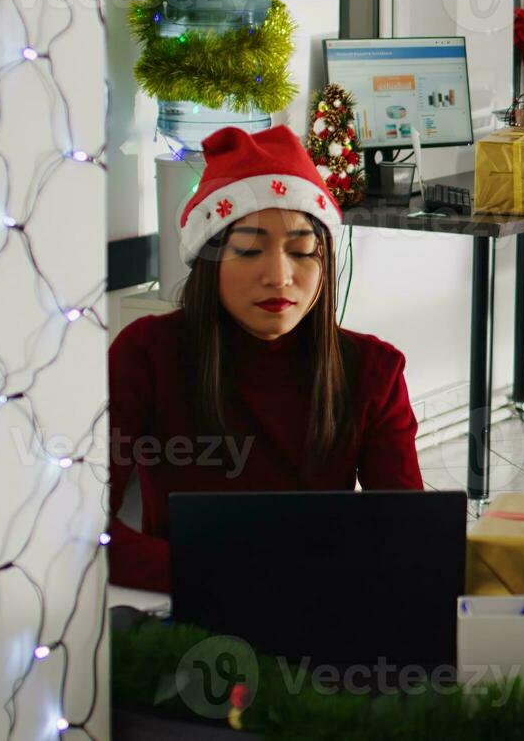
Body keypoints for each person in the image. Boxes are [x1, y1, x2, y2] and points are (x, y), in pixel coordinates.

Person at [107, 126, 422, 592]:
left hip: (322, 613)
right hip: (186, 620)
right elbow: (76, 530)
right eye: (250, 250)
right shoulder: (147, 354)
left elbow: (409, 537)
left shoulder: (374, 369)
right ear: (210, 261)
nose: (279, 276)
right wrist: (214, 578)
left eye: (301, 251)